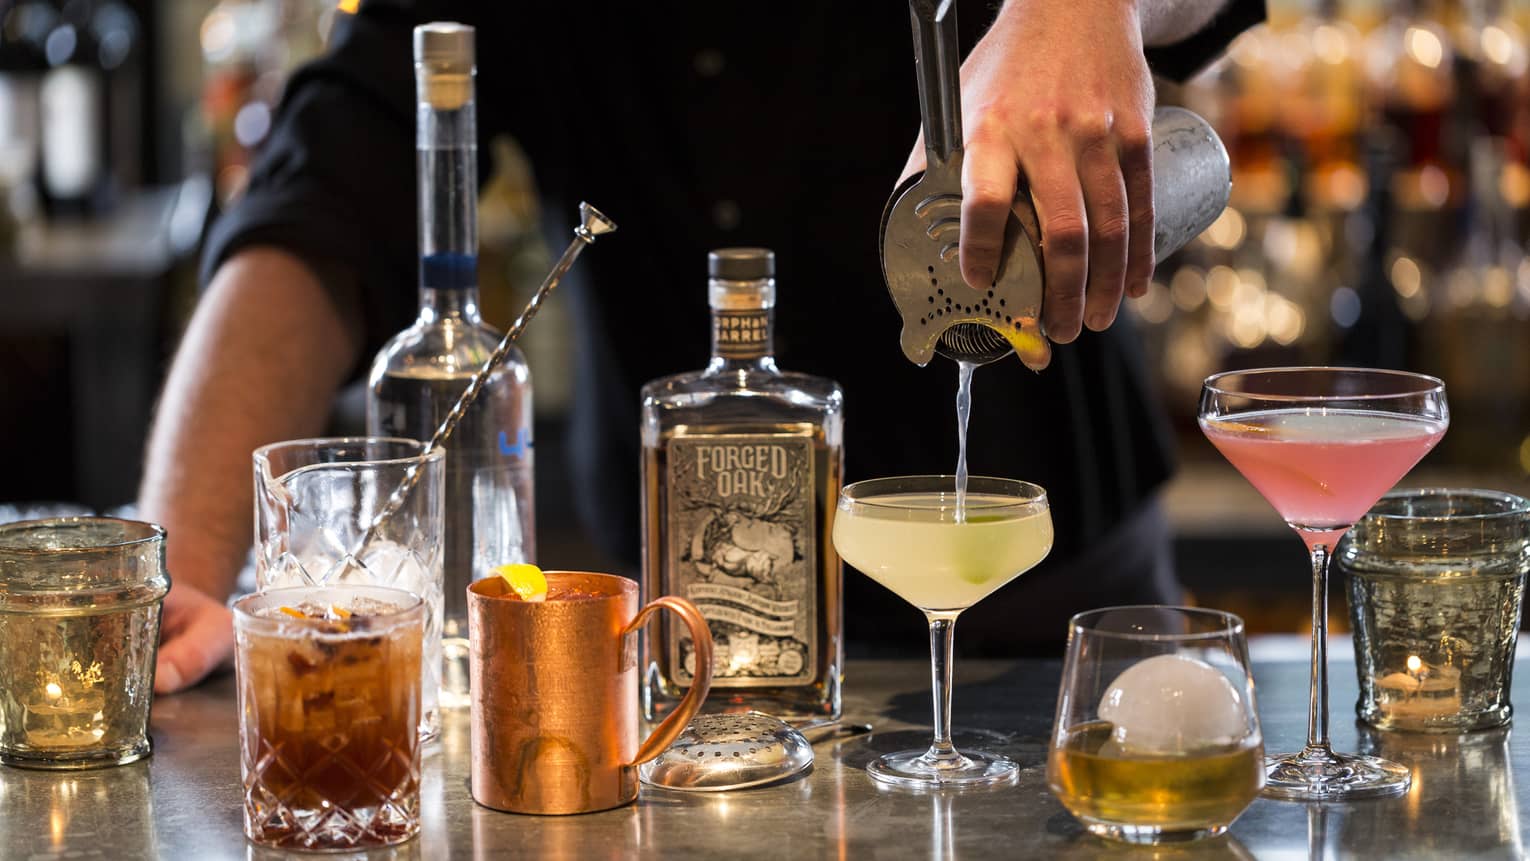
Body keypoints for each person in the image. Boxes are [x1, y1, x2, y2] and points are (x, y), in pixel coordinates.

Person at [141, 0, 1264, 693]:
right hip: (684, 628)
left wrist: (1087, 4)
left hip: (1038, 583)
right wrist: (182, 574)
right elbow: (333, 184)